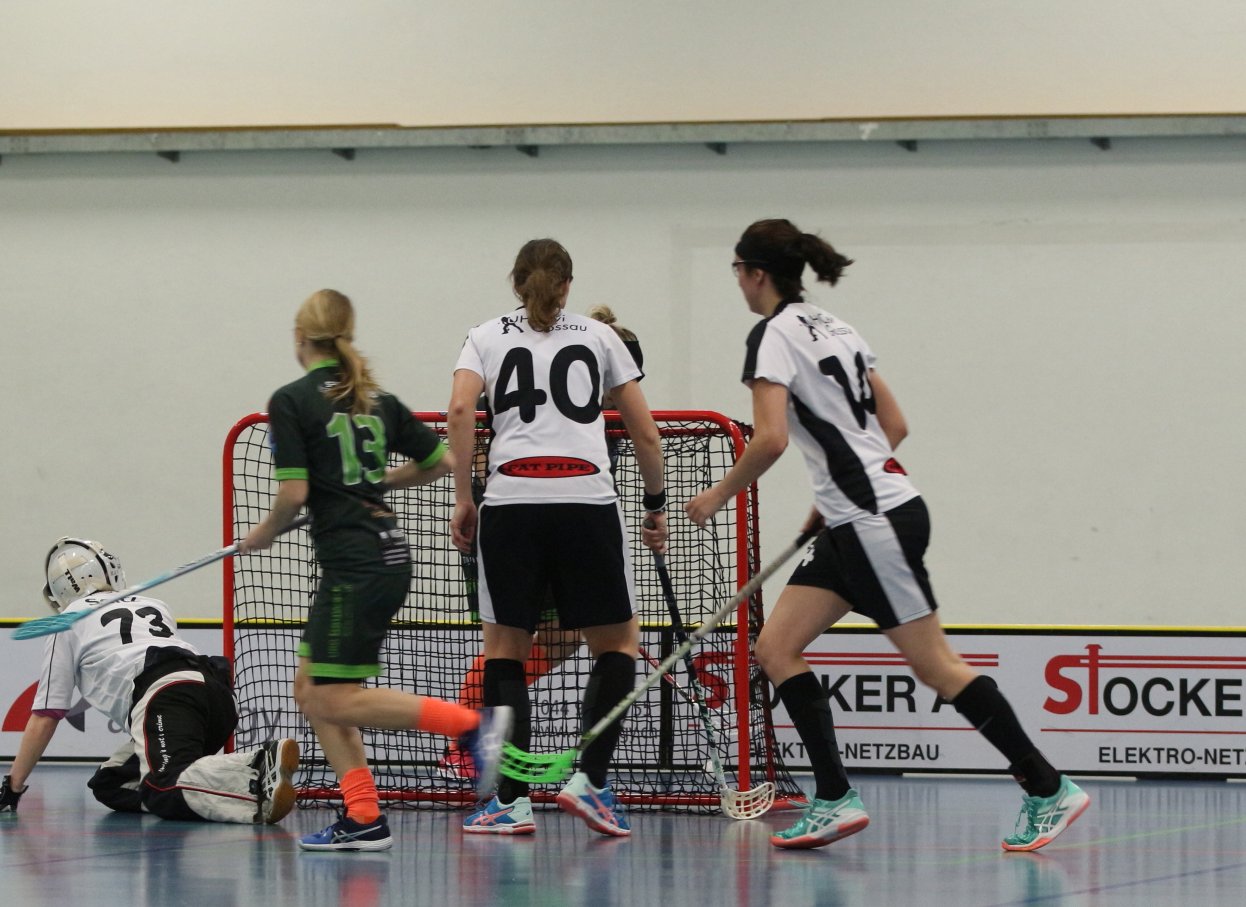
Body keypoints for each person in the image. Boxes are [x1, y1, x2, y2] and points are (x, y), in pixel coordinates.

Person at [687, 219, 1089, 852]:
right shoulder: (837, 327)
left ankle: (1047, 787)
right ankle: (834, 798)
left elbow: (770, 438)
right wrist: (835, 496)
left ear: (757, 273)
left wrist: (716, 496)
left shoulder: (771, 335)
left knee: (937, 667)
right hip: (859, 514)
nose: (736, 281)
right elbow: (894, 425)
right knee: (776, 648)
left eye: (737, 270)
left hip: (872, 521)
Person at [239, 289, 511, 852]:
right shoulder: (375, 398)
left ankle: (471, 726)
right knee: (310, 687)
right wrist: (379, 481)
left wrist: (264, 532)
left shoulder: (290, 400)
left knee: (327, 699)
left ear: (299, 337)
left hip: (355, 566)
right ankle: (363, 814)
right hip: (383, 557)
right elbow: (442, 462)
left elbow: (294, 493)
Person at [449, 242, 668, 837]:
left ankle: (510, 802)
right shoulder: (601, 337)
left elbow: (461, 412)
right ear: (568, 284)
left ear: (516, 282)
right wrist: (654, 506)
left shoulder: (483, 336)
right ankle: (590, 780)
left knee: (505, 653)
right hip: (585, 500)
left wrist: (466, 497)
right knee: (617, 643)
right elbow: (646, 435)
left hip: (511, 502)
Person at [438, 304, 647, 781]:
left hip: (554, 521)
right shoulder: (556, 380)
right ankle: (469, 740)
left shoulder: (600, 416)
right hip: (510, 520)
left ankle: (509, 782)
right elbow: (475, 434)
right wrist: (474, 495)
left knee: (561, 640)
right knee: (511, 645)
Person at [0, 538, 299, 825]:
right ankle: (201, 783)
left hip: (166, 696)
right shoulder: (154, 604)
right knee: (110, 785)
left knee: (161, 788)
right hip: (217, 695)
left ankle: (255, 769)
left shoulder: (67, 623)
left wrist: (13, 788)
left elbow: (46, 715)